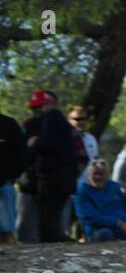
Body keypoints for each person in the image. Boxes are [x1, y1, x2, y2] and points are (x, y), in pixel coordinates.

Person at [25, 90, 78, 242]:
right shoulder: (58, 121)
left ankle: (57, 245)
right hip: (61, 176)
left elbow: (49, 145)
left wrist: (35, 142)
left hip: (54, 177)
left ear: (48, 104)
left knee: (48, 221)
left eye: (39, 107)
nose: (36, 111)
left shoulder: (52, 118)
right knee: (52, 218)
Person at [74, 158, 126, 242]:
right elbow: (89, 217)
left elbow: (122, 208)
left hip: (121, 230)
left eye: (101, 174)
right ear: (89, 175)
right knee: (105, 234)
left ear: (106, 175)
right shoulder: (82, 190)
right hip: (98, 230)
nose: (98, 177)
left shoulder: (114, 187)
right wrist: (117, 222)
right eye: (95, 174)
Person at [0, 107, 27, 242]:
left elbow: (22, 153)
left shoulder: (8, 124)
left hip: (4, 184)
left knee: (6, 227)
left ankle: (9, 255)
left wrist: (13, 176)